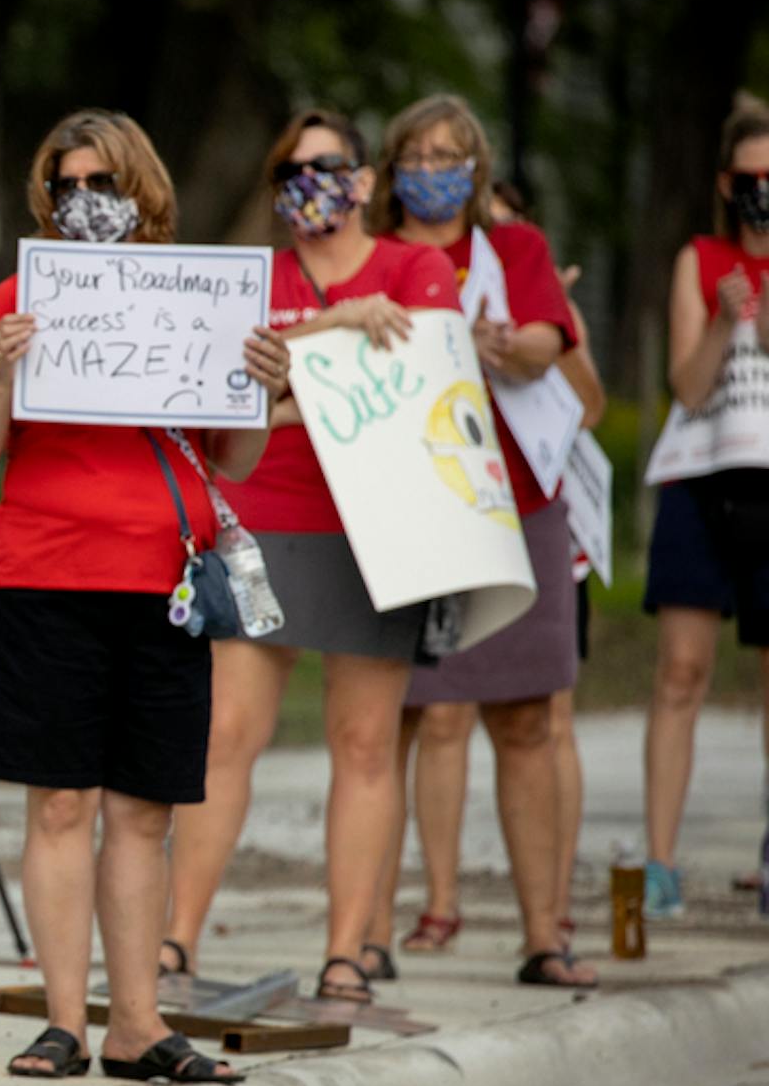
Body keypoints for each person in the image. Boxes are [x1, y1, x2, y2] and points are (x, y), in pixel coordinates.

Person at [0, 110, 284, 1083]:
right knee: (60, 803)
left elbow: (237, 457)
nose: (83, 200)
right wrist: (3, 371)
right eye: (66, 185)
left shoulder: (200, 294)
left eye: (102, 183)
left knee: (143, 811)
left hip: (165, 583)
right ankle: (64, 1022)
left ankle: (136, 1022)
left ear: (142, 189)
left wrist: (264, 388)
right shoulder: (20, 294)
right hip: (44, 580)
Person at [163, 109, 459, 1004]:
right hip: (265, 518)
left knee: (365, 743)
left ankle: (346, 950)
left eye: (327, 168)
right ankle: (175, 939)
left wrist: (289, 383)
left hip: (379, 529)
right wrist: (337, 330)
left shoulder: (414, 268)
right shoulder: (256, 281)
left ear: (364, 181)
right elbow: (222, 376)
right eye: (292, 173)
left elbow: (422, 380)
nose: (310, 187)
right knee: (225, 734)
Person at [356, 94, 596, 989]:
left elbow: (545, 342)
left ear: (477, 168)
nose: (432, 170)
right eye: (416, 155)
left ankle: (543, 935)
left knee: (526, 718)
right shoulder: (373, 256)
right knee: (392, 720)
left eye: (449, 155)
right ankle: (366, 933)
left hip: (515, 502)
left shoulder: (514, 250)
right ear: (393, 168)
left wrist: (504, 344)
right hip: (409, 507)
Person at [641, 93, 769, 918]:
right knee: (681, 669)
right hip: (701, 479)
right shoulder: (701, 259)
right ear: (727, 183)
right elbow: (687, 386)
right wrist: (724, 324)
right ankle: (660, 863)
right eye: (752, 177)